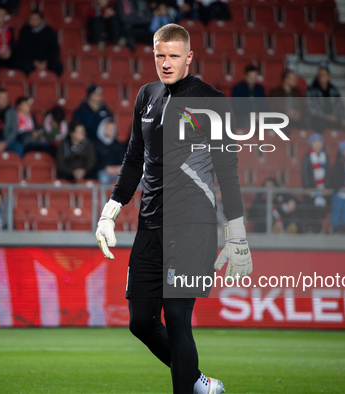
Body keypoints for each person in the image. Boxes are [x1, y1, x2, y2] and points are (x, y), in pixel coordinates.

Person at [94, 23, 249, 394]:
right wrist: (110, 211)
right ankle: (198, 382)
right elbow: (134, 159)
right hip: (150, 225)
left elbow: (227, 170)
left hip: (193, 226)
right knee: (141, 322)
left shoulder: (211, 101)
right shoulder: (147, 96)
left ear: (189, 58)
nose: (166, 63)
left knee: (177, 319)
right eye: (160, 55)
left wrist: (236, 231)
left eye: (174, 56)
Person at [16, 10, 63, 76]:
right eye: (31, 19)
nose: (33, 21)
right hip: (30, 60)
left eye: (36, 19)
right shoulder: (24, 31)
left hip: (46, 60)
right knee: (24, 66)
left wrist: (45, 62)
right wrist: (35, 62)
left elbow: (54, 49)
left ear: (41, 20)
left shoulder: (49, 31)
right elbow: (22, 49)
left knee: (58, 66)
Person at [306, 66, 345, 134]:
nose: (321, 77)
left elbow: (341, 106)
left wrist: (343, 118)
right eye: (320, 75)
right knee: (319, 123)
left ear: (329, 77)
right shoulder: (311, 90)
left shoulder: (334, 90)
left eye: (324, 75)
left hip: (334, 117)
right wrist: (326, 116)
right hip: (319, 118)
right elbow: (310, 109)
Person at [300, 133, 330, 233]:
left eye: (320, 142)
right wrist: (307, 186)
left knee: (318, 210)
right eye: (315, 142)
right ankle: (309, 227)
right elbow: (305, 172)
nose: (318, 144)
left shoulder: (325, 156)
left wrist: (327, 186)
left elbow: (328, 172)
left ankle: (317, 227)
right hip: (311, 189)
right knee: (310, 209)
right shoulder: (307, 156)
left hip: (321, 188)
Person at [231, 64, 267, 129]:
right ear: (245, 76)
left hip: (258, 116)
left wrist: (262, 116)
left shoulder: (260, 89)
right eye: (251, 76)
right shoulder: (237, 89)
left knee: (271, 122)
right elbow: (237, 107)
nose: (253, 78)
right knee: (247, 123)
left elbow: (264, 105)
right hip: (243, 116)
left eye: (255, 76)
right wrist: (249, 114)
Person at [94, 117, 126, 184]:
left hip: (117, 172)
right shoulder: (96, 144)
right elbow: (95, 162)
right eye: (108, 128)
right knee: (104, 178)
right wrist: (105, 168)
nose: (110, 130)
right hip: (103, 172)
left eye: (112, 128)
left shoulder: (118, 145)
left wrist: (117, 168)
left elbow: (123, 160)